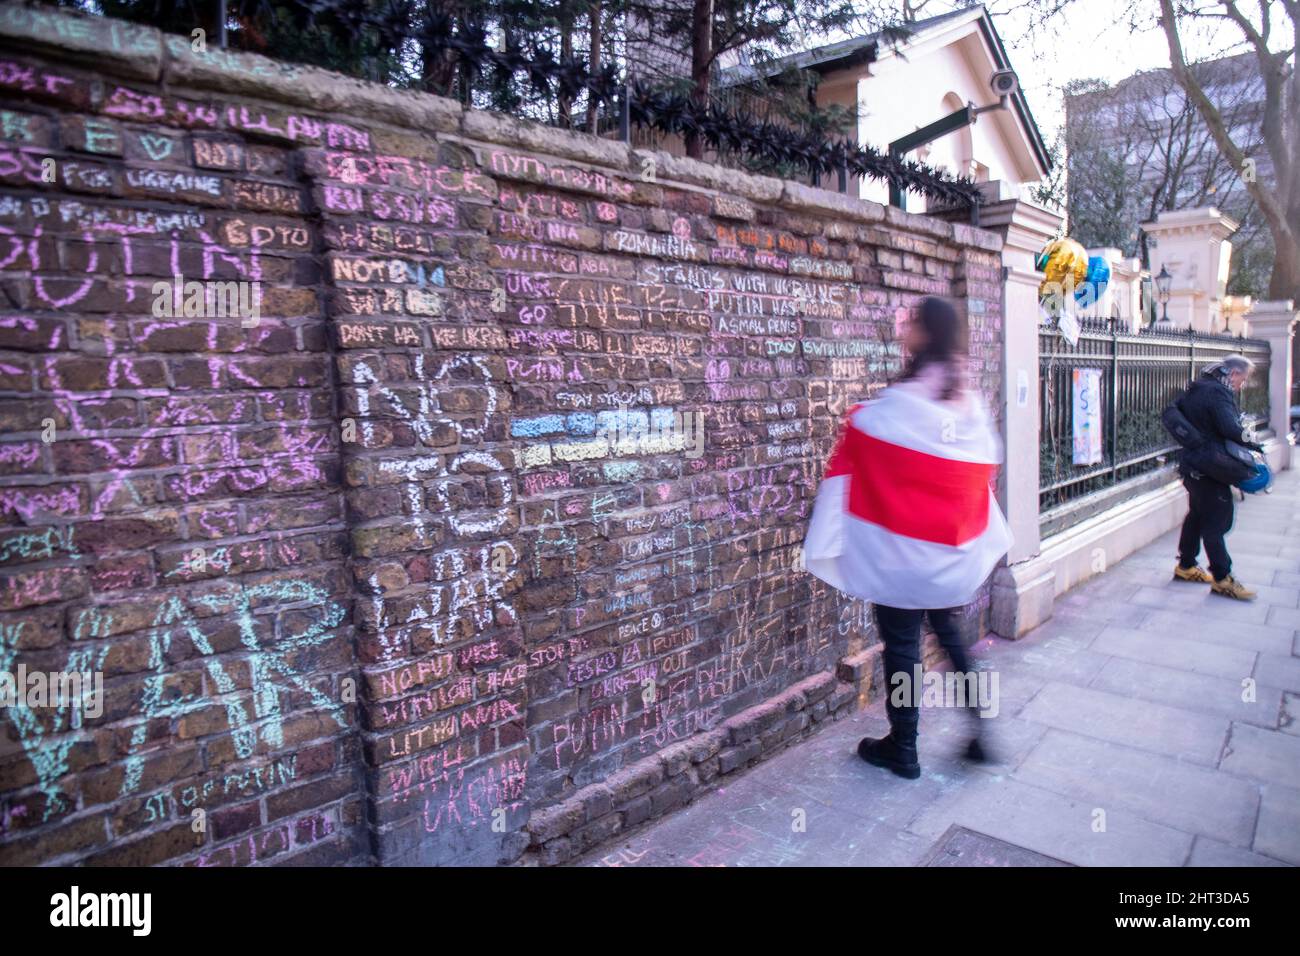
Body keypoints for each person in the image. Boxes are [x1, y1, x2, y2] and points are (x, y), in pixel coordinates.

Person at [802, 296, 1012, 780]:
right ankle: (982, 729)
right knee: (955, 643)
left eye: (911, 324)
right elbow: (980, 471)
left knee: (902, 650)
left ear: (926, 334)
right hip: (946, 557)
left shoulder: (899, 404)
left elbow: (867, 435)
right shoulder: (967, 401)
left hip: (900, 557)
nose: (903, 331)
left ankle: (904, 746)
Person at [1173, 354, 1262, 600]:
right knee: (1216, 522)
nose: (1240, 385)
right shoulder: (1218, 393)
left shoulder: (1197, 387)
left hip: (1191, 465)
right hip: (1211, 467)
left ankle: (1186, 566)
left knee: (1196, 516)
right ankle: (1223, 579)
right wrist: (1252, 442)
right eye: (1242, 380)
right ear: (1233, 374)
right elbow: (1229, 427)